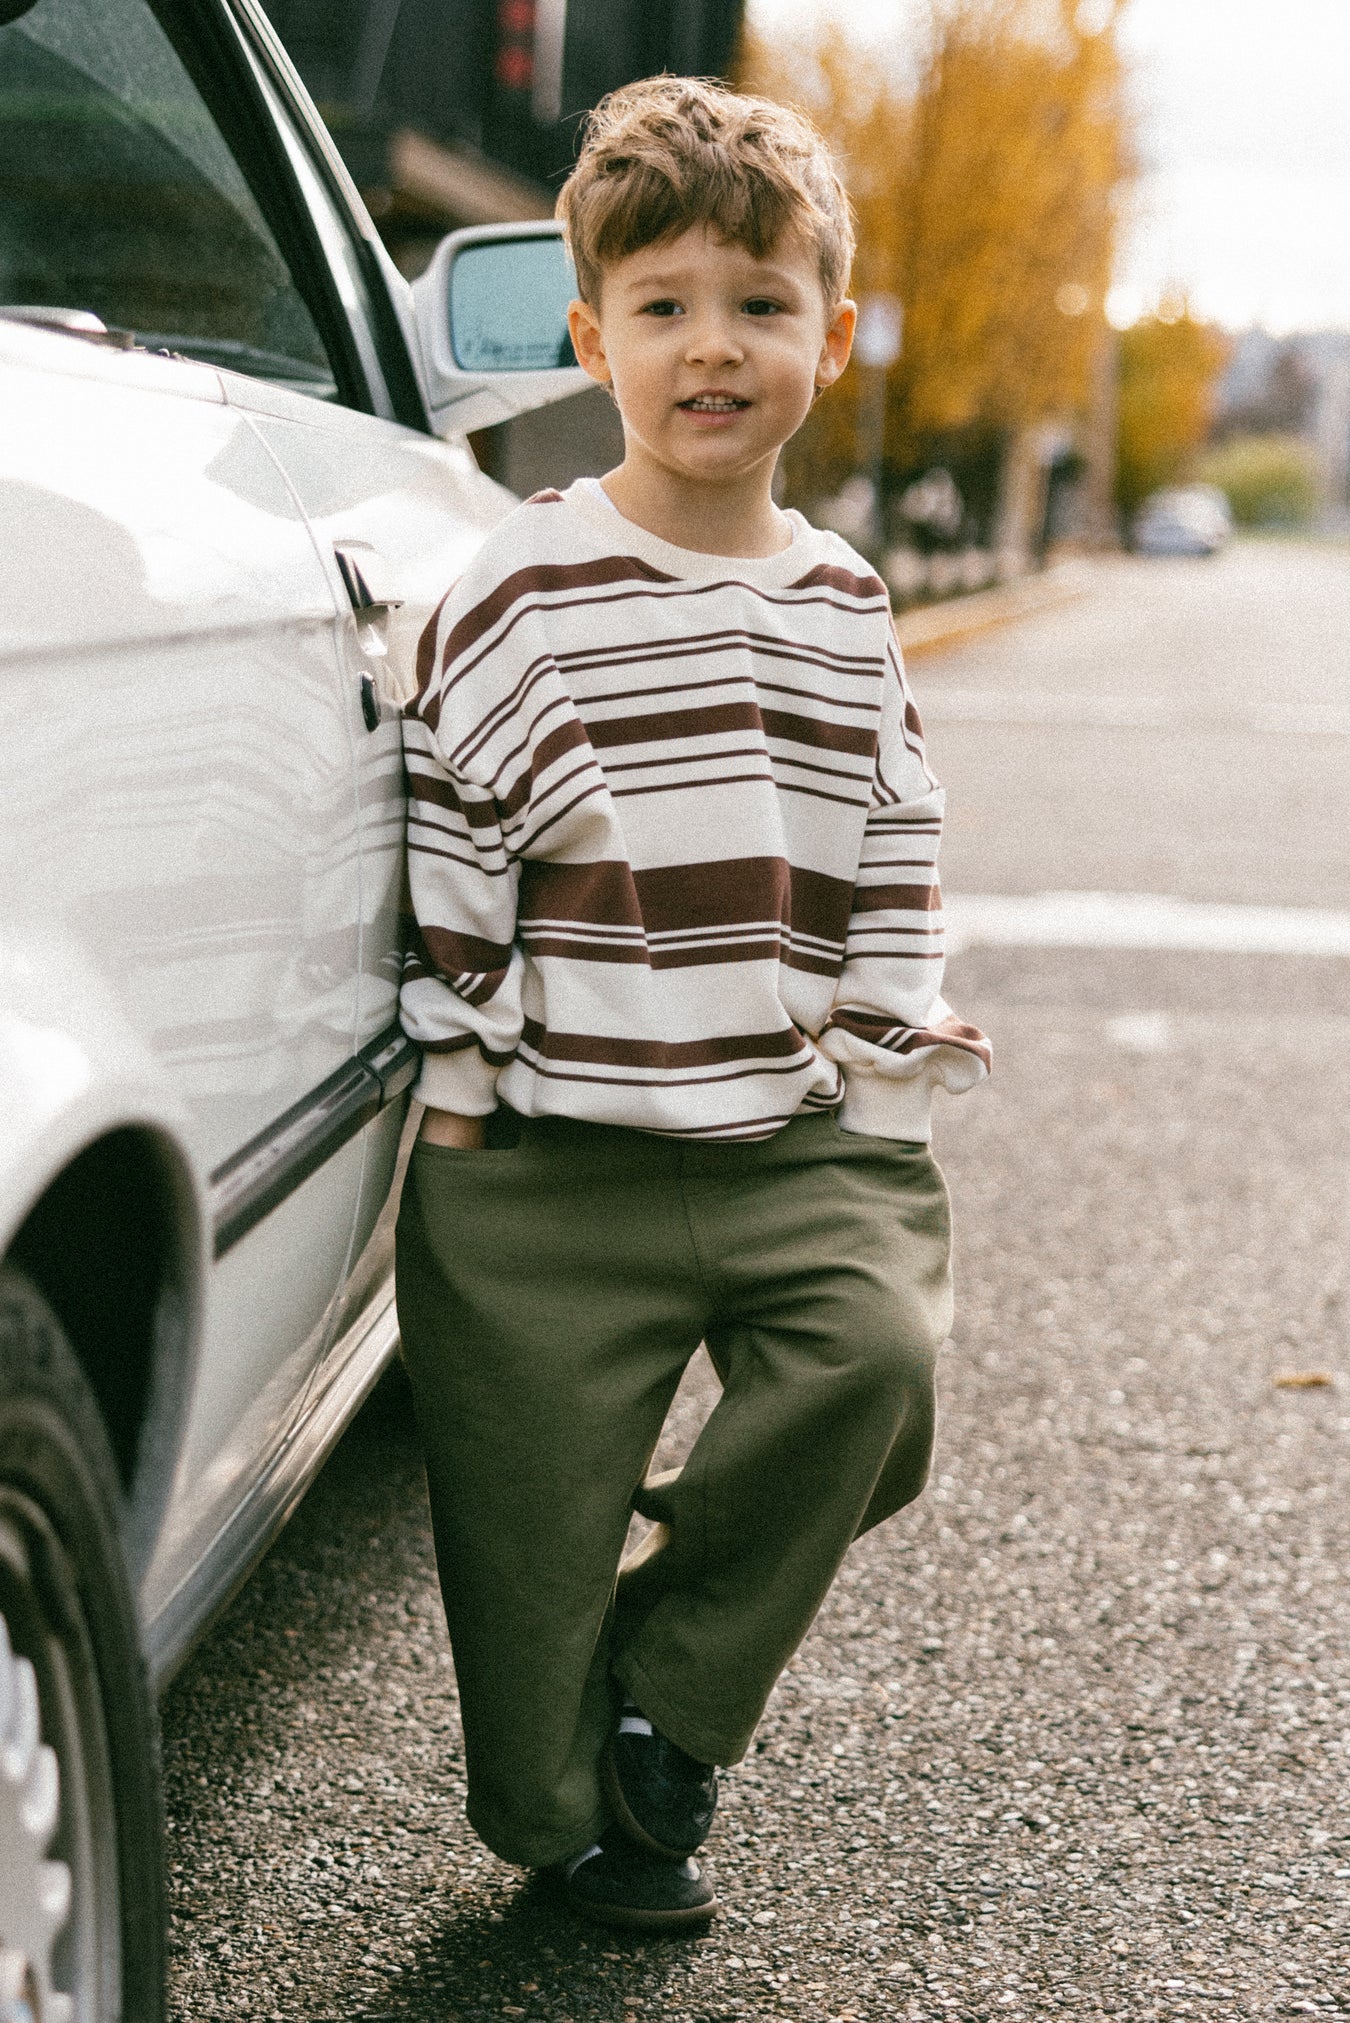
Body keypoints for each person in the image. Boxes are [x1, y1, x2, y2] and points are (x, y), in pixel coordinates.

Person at [393, 73, 991, 1933]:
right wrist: (463, 1084)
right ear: (592, 339)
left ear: (829, 333)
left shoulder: (841, 599)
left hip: (799, 1131)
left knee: (874, 1378)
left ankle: (679, 1687)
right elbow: (455, 826)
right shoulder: (517, 585)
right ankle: (571, 1813)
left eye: (758, 303)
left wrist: (884, 1074)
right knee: (523, 1546)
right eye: (661, 309)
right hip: (546, 1160)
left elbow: (896, 833)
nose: (709, 348)